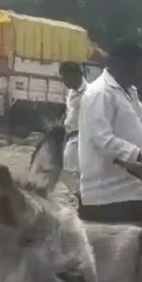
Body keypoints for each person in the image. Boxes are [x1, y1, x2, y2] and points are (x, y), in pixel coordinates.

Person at [77, 38, 142, 224]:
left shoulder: (129, 91)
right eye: (136, 66)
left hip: (131, 191)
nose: (139, 71)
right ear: (121, 63)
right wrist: (141, 155)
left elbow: (137, 130)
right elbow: (100, 138)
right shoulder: (99, 92)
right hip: (106, 196)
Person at [58, 61, 87, 203]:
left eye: (66, 78)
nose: (64, 82)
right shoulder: (71, 93)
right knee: (69, 171)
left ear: (76, 75)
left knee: (70, 170)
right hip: (70, 135)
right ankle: (79, 195)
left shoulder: (89, 92)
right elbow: (69, 111)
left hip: (82, 136)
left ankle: (82, 196)